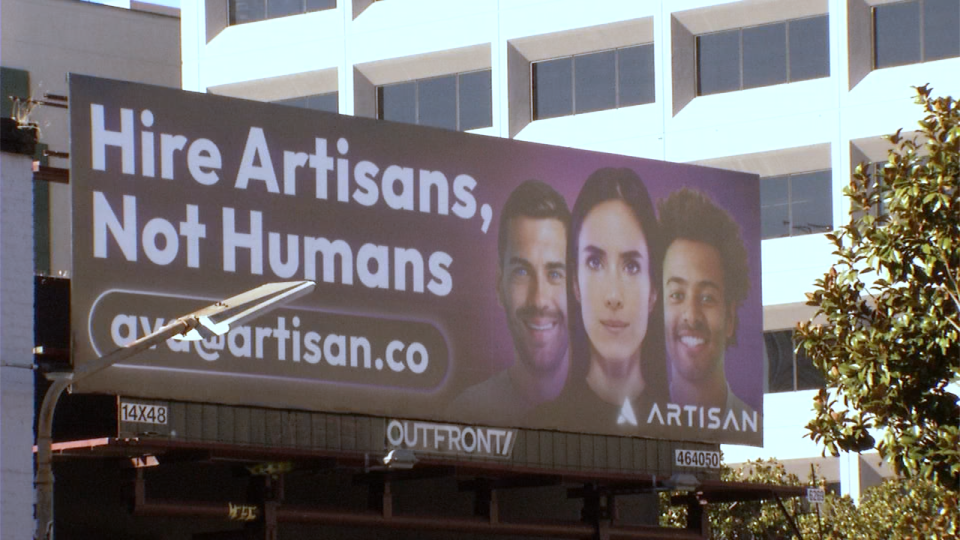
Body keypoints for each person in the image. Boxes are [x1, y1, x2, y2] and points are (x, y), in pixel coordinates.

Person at [448, 180, 571, 424]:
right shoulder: (466, 415)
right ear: (499, 285)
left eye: (555, 274)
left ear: (577, 288)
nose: (539, 299)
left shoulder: (612, 413)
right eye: (521, 272)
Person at [565, 167, 665, 427]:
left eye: (631, 266)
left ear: (654, 290)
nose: (613, 296)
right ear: (575, 282)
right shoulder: (539, 425)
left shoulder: (685, 427)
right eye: (595, 262)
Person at [658, 188, 756, 419]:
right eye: (677, 295)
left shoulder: (753, 428)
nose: (691, 316)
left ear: (729, 317)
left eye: (707, 298)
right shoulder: (630, 425)